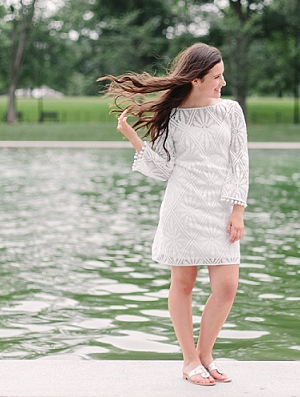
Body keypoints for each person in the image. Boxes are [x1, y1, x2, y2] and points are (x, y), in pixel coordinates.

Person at [100, 43, 249, 386]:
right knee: (183, 284)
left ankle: (206, 354)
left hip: (221, 208)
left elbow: (240, 163)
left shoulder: (230, 111)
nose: (222, 83)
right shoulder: (172, 115)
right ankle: (189, 360)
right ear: (196, 79)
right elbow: (164, 169)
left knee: (226, 287)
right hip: (182, 209)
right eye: (216, 77)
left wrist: (237, 210)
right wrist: (133, 137)